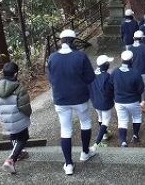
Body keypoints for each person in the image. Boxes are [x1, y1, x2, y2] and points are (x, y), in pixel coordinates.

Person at [47, 29, 97, 175]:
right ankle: (85, 152)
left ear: (60, 41)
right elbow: (90, 78)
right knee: (85, 123)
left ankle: (68, 164)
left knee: (65, 130)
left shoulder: (52, 57)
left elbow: (50, 78)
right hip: (79, 97)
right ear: (74, 41)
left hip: (60, 98)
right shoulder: (80, 56)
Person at [0, 61, 32, 174]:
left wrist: (1, 115)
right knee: (23, 137)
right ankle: (11, 160)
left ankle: (19, 152)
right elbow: (25, 107)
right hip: (19, 119)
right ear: (15, 74)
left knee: (13, 135)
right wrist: (28, 114)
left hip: (5, 120)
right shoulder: (19, 88)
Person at [111, 51, 145, 146]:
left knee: (122, 121)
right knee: (137, 117)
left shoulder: (115, 71)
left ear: (121, 59)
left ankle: (123, 141)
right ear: (132, 60)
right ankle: (135, 135)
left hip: (119, 101)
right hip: (133, 100)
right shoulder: (135, 73)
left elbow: (111, 85)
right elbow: (141, 88)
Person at [89, 55, 115, 148]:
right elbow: (109, 90)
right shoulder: (106, 76)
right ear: (106, 64)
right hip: (105, 102)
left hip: (95, 101)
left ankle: (105, 133)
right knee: (106, 121)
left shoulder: (92, 74)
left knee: (100, 117)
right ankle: (97, 143)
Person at [128, 30, 145, 111]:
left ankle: (138, 103)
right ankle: (143, 101)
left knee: (137, 88)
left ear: (133, 38)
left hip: (134, 71)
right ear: (142, 38)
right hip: (144, 70)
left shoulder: (130, 48)